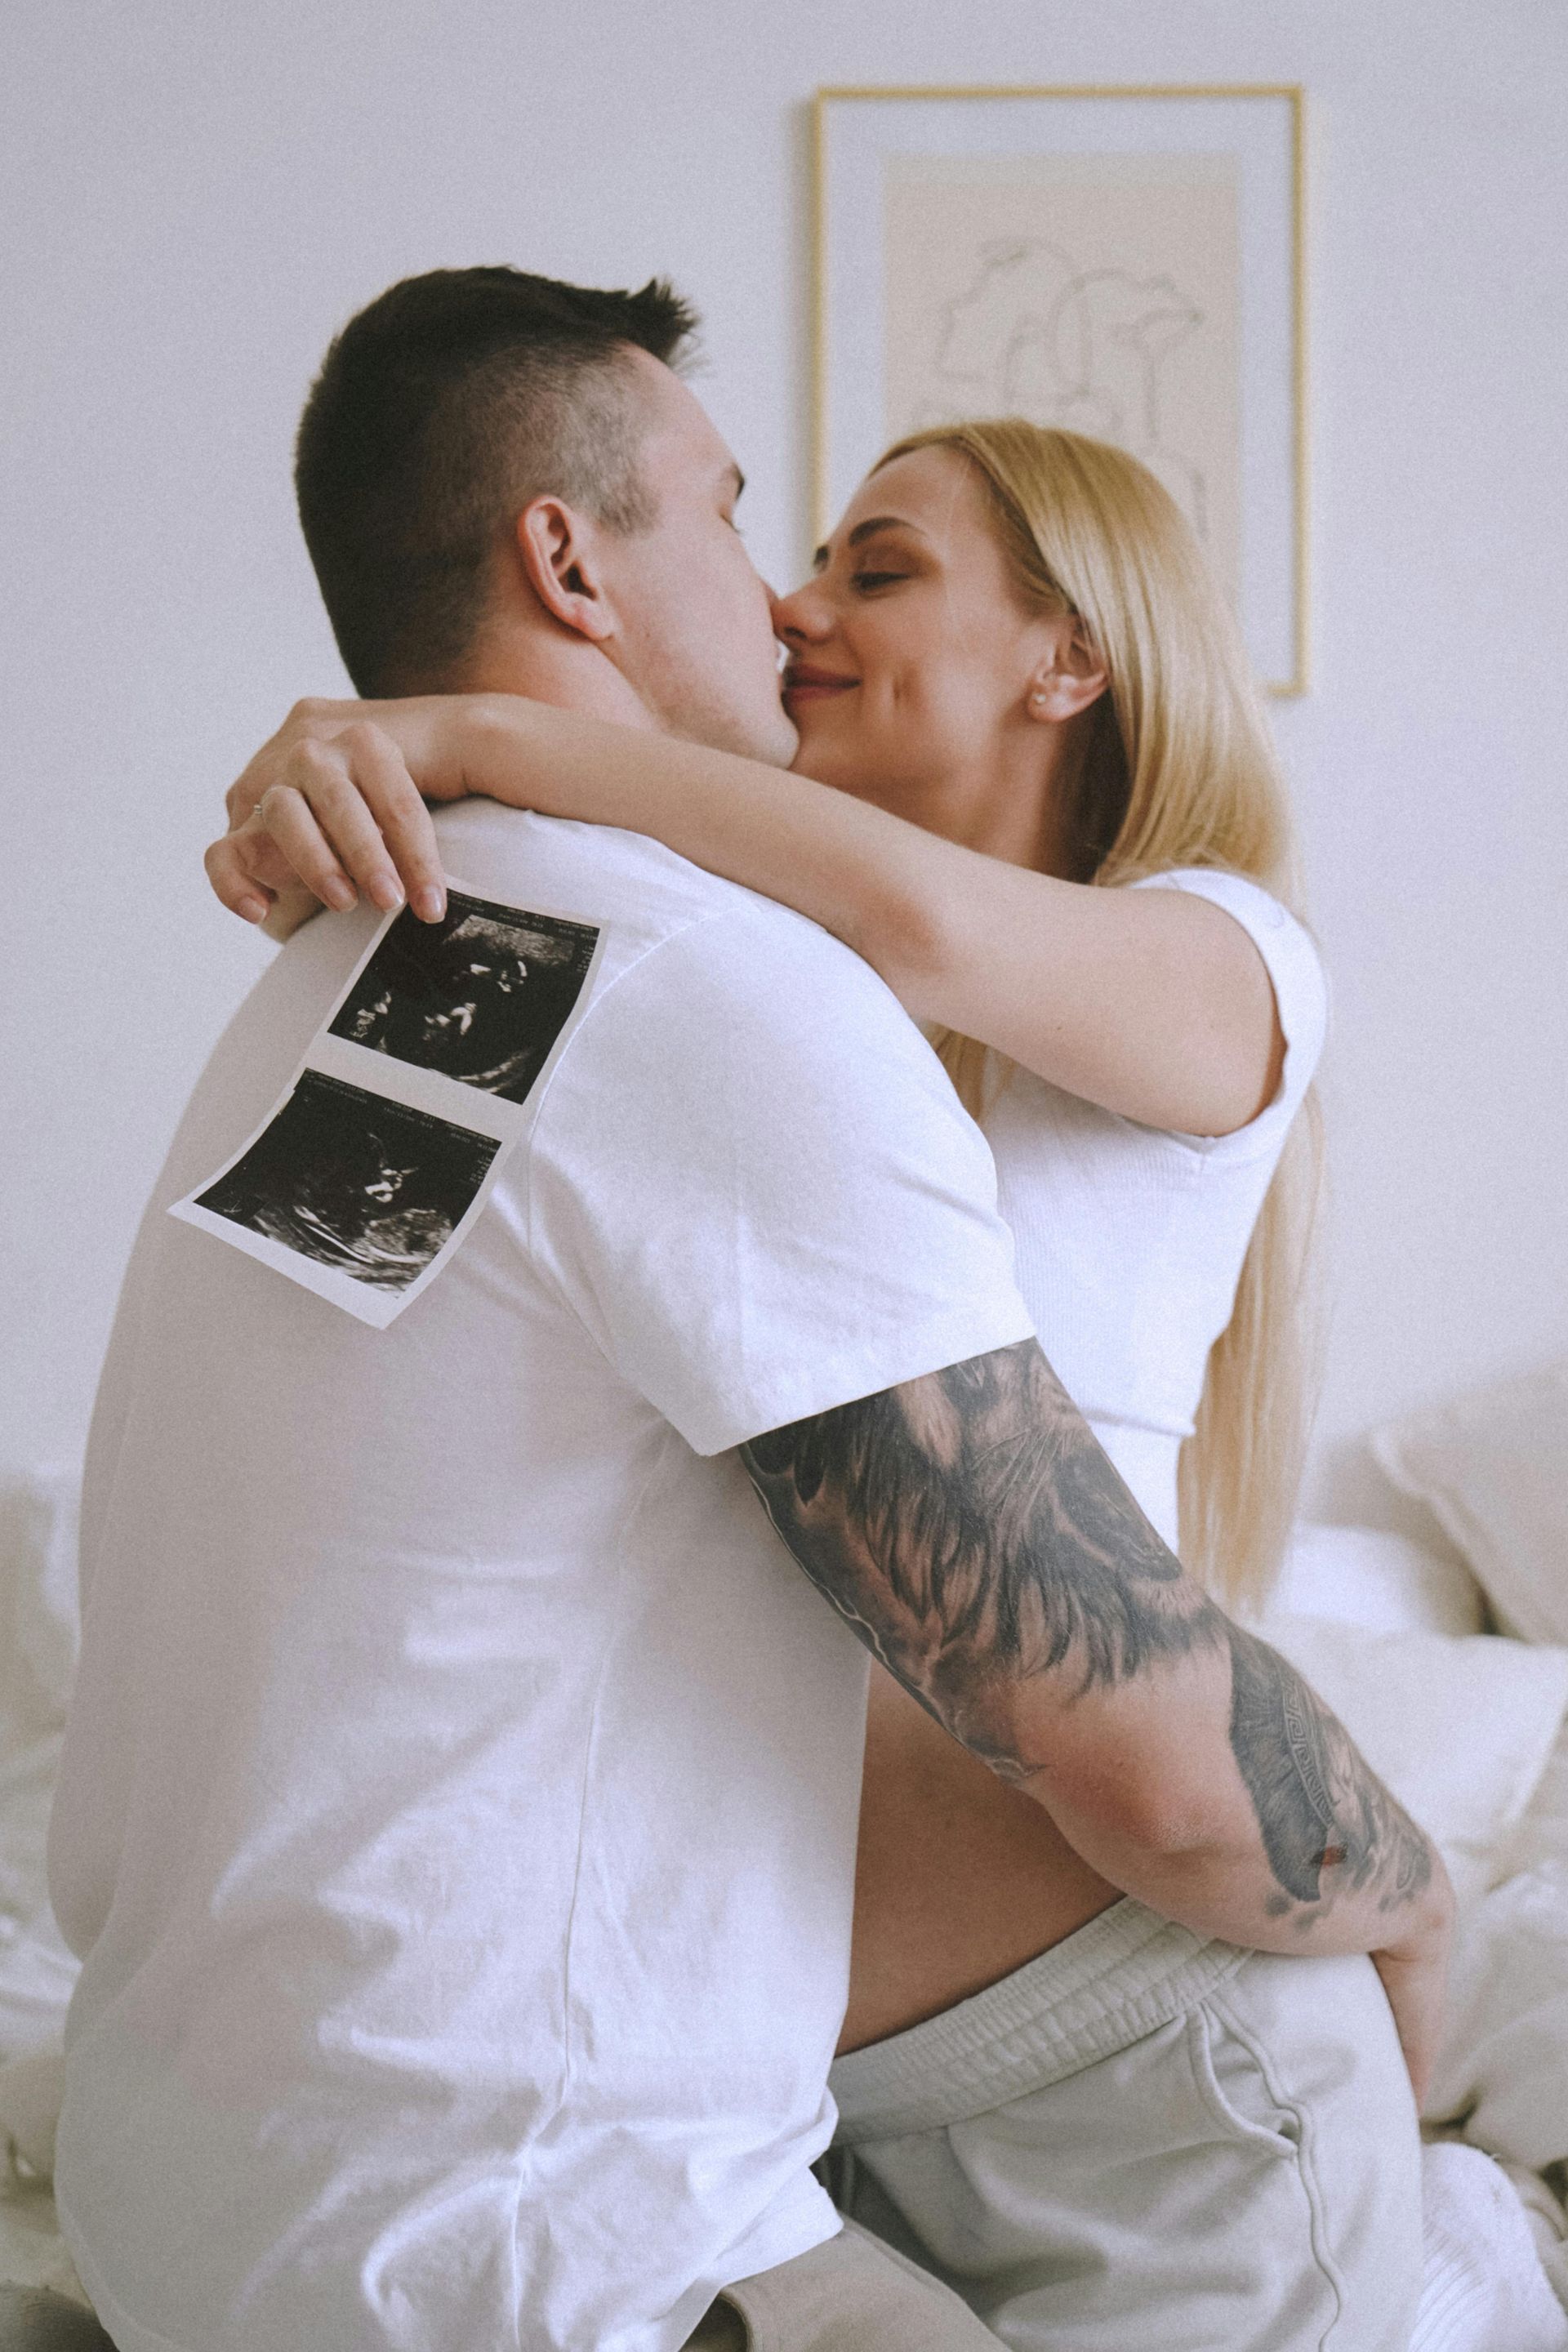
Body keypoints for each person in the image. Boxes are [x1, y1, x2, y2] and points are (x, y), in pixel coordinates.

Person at [61, 266, 1447, 2352]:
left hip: (1085, 2021)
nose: (792, 603)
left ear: (1072, 658)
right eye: (747, 524)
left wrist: (481, 735)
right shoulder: (632, 979)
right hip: (726, 2107)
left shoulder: (512, 976)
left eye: (863, 564)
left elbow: (1149, 1757)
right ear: (572, 558)